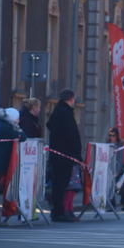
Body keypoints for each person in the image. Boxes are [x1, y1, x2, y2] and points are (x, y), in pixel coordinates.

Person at [46, 89, 82, 223]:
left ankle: (57, 211)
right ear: (71, 99)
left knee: (58, 185)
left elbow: (50, 125)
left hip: (58, 155)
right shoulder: (66, 113)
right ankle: (59, 212)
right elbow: (71, 135)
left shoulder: (57, 111)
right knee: (61, 185)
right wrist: (77, 153)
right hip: (65, 155)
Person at [0, 108, 26, 222]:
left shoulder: (0, 124)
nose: (18, 121)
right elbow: (22, 137)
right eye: (17, 119)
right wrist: (18, 128)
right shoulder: (7, 128)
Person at [107, 127, 124, 209]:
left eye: (113, 135)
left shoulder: (119, 145)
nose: (112, 137)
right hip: (108, 169)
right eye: (110, 135)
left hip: (116, 169)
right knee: (110, 187)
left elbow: (120, 158)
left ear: (117, 135)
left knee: (118, 187)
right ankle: (112, 205)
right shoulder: (107, 144)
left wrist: (117, 171)